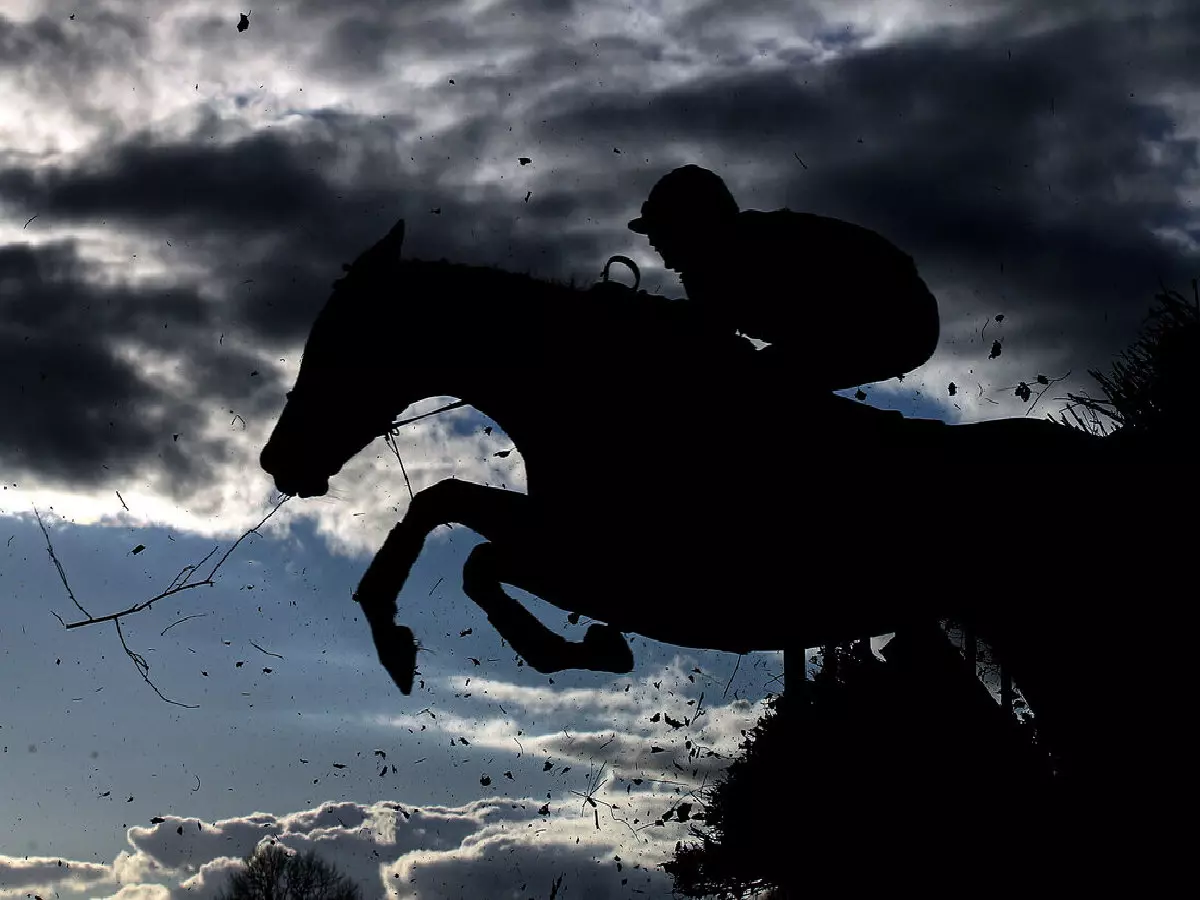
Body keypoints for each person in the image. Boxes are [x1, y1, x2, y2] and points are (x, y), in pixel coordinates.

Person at [628, 165, 940, 394]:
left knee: (758, 385)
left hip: (896, 320)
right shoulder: (723, 254)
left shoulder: (731, 256)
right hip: (889, 318)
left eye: (661, 230)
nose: (654, 242)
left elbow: (706, 334)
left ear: (690, 225)